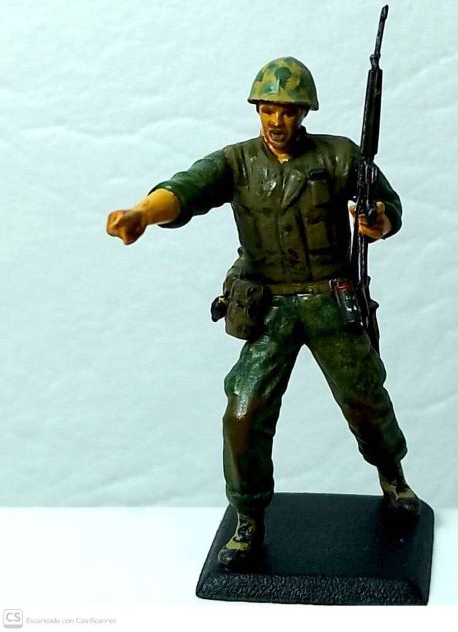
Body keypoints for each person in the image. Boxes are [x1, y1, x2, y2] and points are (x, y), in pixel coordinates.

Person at [107, 57, 420, 568]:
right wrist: (143, 212)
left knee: (364, 396)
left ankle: (394, 476)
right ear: (257, 109)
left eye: (289, 111)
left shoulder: (339, 155)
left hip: (328, 297)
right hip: (269, 304)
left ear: (305, 113)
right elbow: (186, 189)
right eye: (269, 110)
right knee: (244, 411)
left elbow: (388, 207)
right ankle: (248, 516)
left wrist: (376, 222)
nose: (277, 121)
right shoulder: (237, 162)